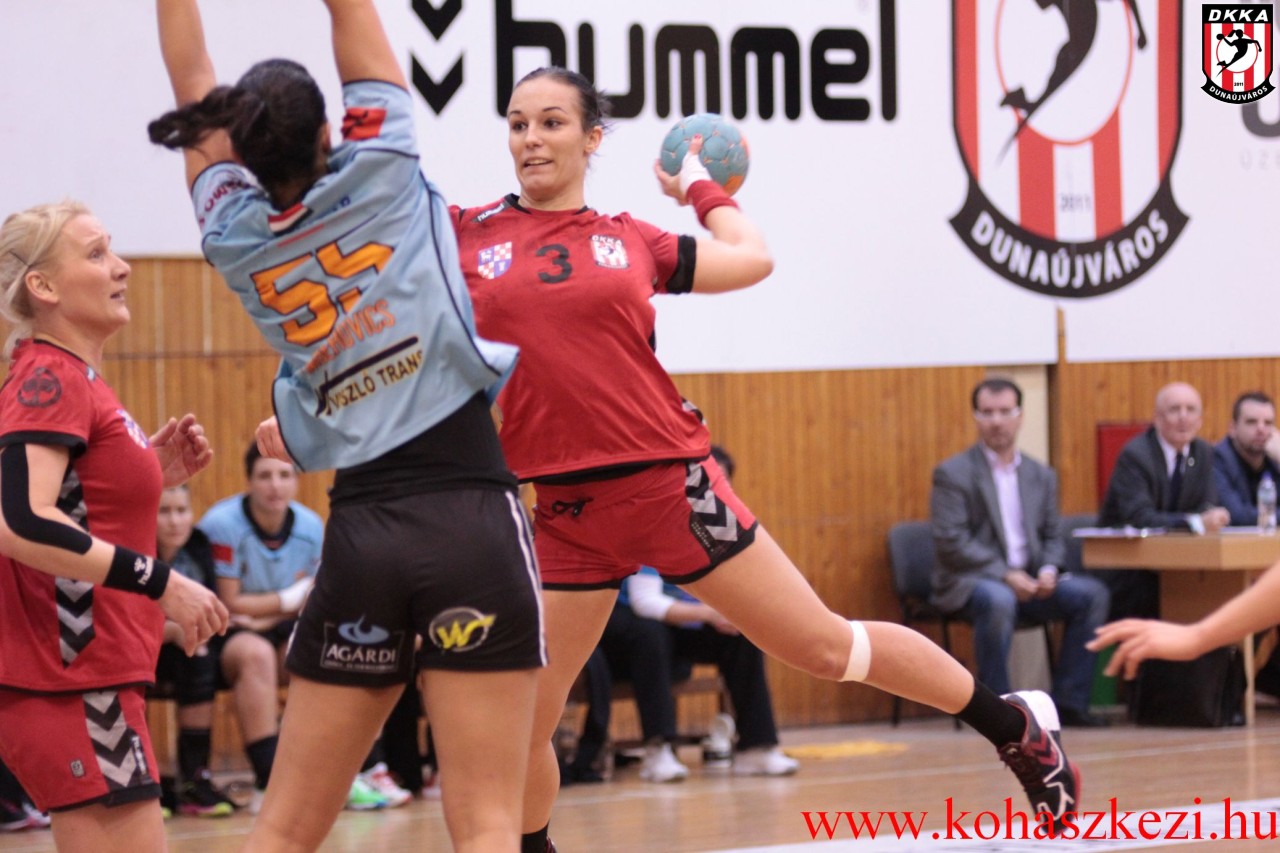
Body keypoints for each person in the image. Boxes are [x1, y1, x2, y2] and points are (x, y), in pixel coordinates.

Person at [449, 67, 1082, 850]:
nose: (531, 139)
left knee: (825, 646)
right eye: (518, 124)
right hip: (566, 511)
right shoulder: (467, 233)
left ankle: (1014, 727)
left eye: (551, 122)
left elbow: (750, 257)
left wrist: (700, 188)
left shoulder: (631, 238)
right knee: (522, 726)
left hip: (671, 488)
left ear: (592, 137)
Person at [149, 1, 545, 849]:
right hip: (468, 512)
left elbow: (190, 79)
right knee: (486, 824)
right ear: (330, 131)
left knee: (284, 829)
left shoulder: (233, 231)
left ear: (241, 152)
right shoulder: (384, 165)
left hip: (362, 532)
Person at [0, 200, 227, 851]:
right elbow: (20, 521)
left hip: (90, 677)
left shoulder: (76, 377)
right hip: (72, 680)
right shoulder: (51, 376)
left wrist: (144, 471)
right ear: (43, 286)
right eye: (96, 253)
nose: (121, 266)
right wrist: (163, 582)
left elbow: (73, 499)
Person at [930, 378, 1111, 728]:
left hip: (1031, 583)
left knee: (1092, 595)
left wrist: (1048, 570)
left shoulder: (1040, 475)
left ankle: (1069, 704)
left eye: (1004, 412)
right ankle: (997, 712)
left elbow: (1053, 536)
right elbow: (952, 541)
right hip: (975, 582)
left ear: (1020, 416)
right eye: (987, 413)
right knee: (998, 599)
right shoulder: (953, 473)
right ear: (975, 417)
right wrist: (1006, 574)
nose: (996, 421)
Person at [197, 443, 323, 813]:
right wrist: (287, 599)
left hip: (281, 627)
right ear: (249, 480)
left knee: (316, 654)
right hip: (226, 632)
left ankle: (340, 770)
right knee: (256, 656)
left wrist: (269, 614)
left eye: (284, 475)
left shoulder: (312, 527)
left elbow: (313, 598)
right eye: (265, 476)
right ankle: (269, 779)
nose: (275, 485)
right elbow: (230, 603)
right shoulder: (222, 525)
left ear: (296, 481)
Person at [604, 565, 801, 781]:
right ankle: (659, 749)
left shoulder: (714, 547)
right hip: (636, 625)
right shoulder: (651, 545)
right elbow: (645, 602)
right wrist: (708, 614)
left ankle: (756, 748)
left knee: (741, 633)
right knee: (650, 635)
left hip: (686, 623)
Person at [1096, 382, 1230, 620]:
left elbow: (1207, 505)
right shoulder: (1136, 455)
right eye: (1174, 409)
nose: (1183, 417)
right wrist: (1195, 523)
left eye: (1191, 410)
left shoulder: (1203, 452)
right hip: (1129, 565)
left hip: (1177, 563)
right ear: (1157, 418)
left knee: (1221, 589)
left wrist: (1210, 517)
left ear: (1200, 420)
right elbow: (1141, 518)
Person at [151, 484, 236, 818]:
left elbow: (210, 608)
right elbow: (121, 622)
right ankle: (145, 782)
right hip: (138, 646)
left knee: (200, 655)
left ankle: (194, 778)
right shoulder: (133, 550)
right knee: (131, 663)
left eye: (181, 510)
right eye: (164, 511)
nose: (175, 521)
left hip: (181, 646)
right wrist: (171, 629)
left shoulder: (199, 546)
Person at [1212, 392, 1280, 527]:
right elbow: (1237, 516)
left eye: (1268, 423)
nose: (1261, 429)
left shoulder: (1275, 459)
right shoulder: (1216, 459)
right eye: (1251, 422)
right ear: (1232, 428)